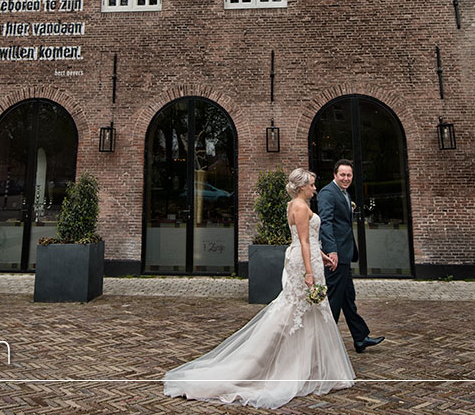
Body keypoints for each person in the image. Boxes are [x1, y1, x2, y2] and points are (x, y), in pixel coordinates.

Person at [163, 168, 354, 409]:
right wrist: (309, 272)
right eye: (312, 185)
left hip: (309, 257)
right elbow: (304, 241)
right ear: (302, 186)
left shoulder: (294, 204)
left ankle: (311, 367)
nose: (315, 188)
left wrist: (322, 256)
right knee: (297, 311)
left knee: (307, 312)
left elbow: (305, 241)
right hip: (304, 262)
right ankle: (284, 366)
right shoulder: (301, 207)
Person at [318, 159, 384, 352]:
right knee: (333, 300)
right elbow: (326, 223)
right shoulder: (327, 193)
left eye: (349, 175)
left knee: (348, 298)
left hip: (345, 254)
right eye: (342, 175)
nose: (346, 178)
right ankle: (323, 342)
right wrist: (332, 250)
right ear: (335, 175)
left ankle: (360, 337)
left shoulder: (344, 193)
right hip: (336, 256)